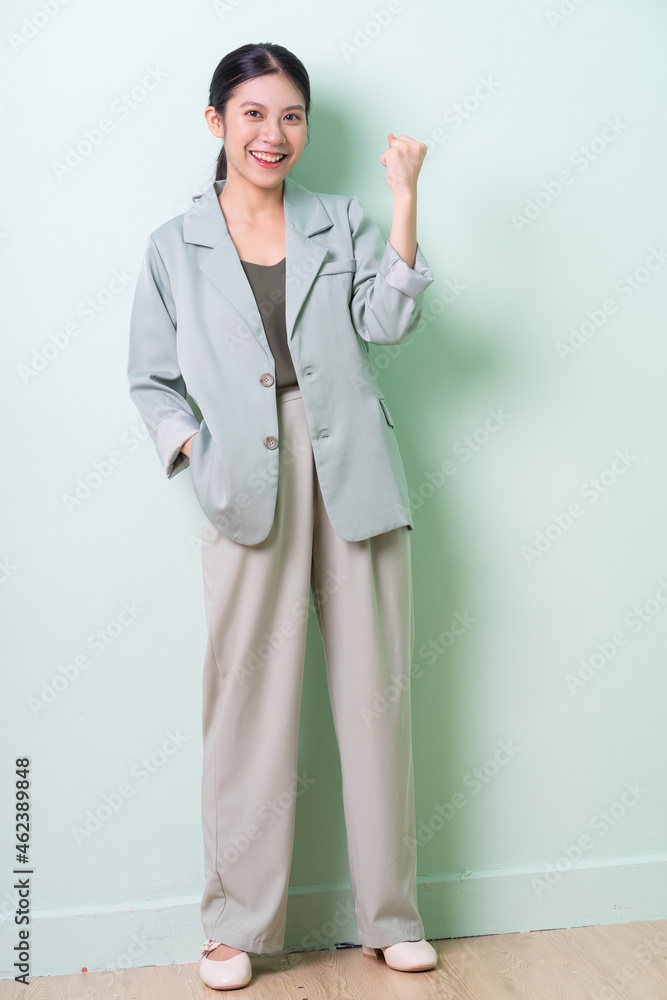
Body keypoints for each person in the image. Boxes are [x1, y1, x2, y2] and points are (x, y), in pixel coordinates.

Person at [127, 41, 437, 991]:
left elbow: (386, 324)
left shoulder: (338, 221)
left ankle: (390, 916)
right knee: (246, 710)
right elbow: (150, 378)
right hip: (243, 483)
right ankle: (234, 925)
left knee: (374, 700)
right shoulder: (174, 244)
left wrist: (403, 201)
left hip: (351, 469)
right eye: (254, 114)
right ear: (218, 124)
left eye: (291, 115)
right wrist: (196, 454)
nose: (275, 133)